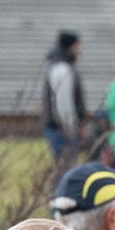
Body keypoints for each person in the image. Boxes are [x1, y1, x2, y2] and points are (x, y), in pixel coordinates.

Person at [42, 30, 86, 163]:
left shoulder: (59, 64)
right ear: (71, 46)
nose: (81, 49)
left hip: (59, 128)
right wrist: (70, 128)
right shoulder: (62, 68)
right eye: (78, 45)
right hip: (61, 130)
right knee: (65, 167)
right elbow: (63, 102)